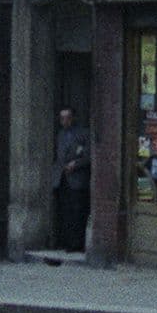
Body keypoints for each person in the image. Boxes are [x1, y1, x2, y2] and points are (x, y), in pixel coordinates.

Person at [54, 108, 90, 252]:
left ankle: (77, 243)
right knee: (65, 211)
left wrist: (76, 164)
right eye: (62, 118)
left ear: (73, 118)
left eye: (67, 118)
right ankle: (66, 241)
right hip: (63, 178)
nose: (64, 121)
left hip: (78, 179)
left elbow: (89, 155)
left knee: (78, 211)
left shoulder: (83, 133)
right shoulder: (60, 134)